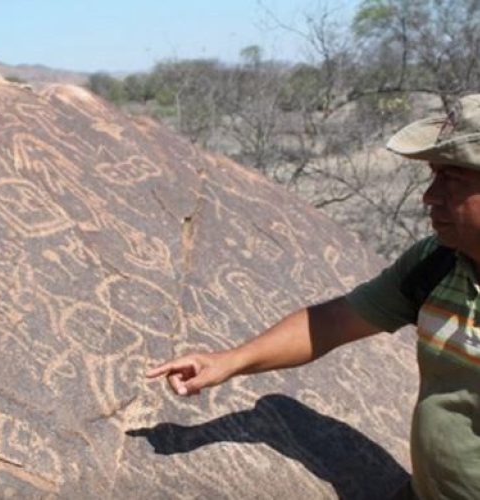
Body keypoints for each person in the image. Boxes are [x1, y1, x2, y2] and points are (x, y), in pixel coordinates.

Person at [147, 94, 480, 500]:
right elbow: (333, 322)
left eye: (453, 181)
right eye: (433, 176)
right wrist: (229, 361)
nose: (430, 196)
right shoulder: (436, 264)